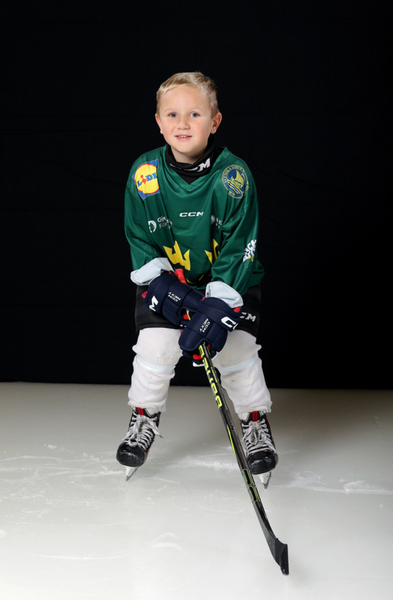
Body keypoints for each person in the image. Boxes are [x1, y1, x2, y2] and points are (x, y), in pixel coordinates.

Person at [116, 72, 278, 479]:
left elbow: (241, 245)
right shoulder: (144, 173)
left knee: (236, 351)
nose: (183, 123)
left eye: (194, 114)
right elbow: (138, 235)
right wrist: (162, 284)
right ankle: (143, 416)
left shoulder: (233, 176)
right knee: (155, 348)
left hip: (229, 283)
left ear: (215, 121)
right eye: (172, 114)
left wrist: (216, 304)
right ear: (158, 121)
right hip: (170, 281)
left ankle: (254, 420)